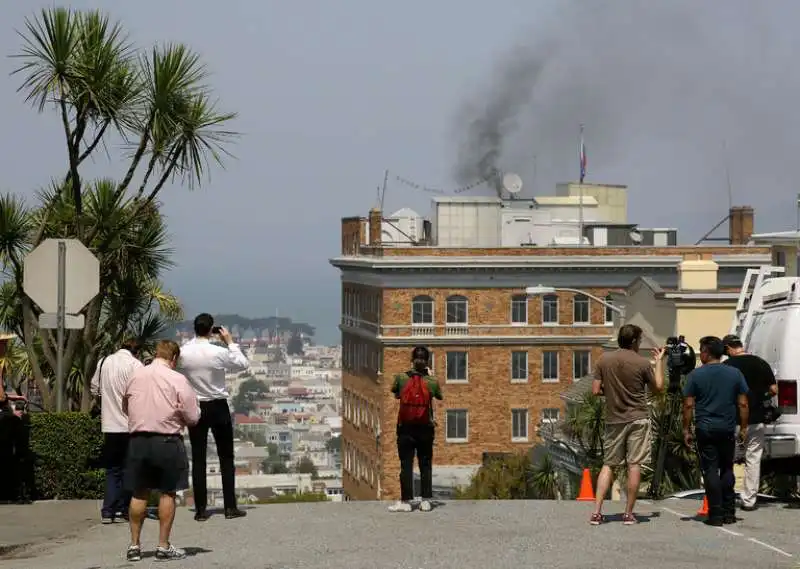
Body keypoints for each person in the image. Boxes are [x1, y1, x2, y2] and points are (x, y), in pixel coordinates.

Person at [122, 339, 200, 562]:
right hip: (167, 440)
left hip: (138, 440)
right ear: (173, 358)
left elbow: (125, 406)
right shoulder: (177, 379)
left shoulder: (136, 376)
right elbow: (193, 416)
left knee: (139, 492)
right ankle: (163, 545)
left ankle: (134, 545)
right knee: (167, 492)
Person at [590, 324, 664, 525]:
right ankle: (628, 514)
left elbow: (596, 390)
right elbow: (658, 387)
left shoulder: (604, 360)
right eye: (639, 341)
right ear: (633, 341)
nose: (640, 344)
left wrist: (612, 392)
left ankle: (596, 512)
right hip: (638, 418)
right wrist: (658, 363)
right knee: (634, 464)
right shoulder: (641, 363)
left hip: (614, 419)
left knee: (609, 464)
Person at [177, 313, 249, 521]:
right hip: (218, 405)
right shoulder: (218, 352)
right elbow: (243, 364)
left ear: (194, 329)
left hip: (196, 406)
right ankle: (229, 507)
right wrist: (230, 342)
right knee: (226, 457)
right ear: (211, 330)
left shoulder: (184, 352)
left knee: (198, 459)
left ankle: (200, 510)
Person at [682, 335, 749, 526]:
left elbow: (688, 406)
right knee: (727, 468)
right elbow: (743, 403)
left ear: (705, 353)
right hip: (727, 427)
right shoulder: (735, 374)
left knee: (710, 469)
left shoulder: (695, 375)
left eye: (701, 350)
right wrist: (743, 427)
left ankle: (716, 513)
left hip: (706, 428)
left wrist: (686, 429)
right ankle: (729, 512)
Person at [90, 338, 144, 524]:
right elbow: (140, 393)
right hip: (129, 425)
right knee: (129, 468)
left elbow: (94, 387)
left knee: (112, 469)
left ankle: (107, 511)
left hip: (109, 424)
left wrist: (106, 399)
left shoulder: (104, 361)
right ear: (136, 352)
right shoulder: (135, 365)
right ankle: (123, 509)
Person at [722, 334, 777, 511]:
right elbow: (774, 390)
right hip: (757, 419)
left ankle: (725, 496)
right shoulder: (761, 363)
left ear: (729, 348)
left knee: (727, 459)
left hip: (733, 420)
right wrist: (760, 397)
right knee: (753, 459)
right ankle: (749, 500)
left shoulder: (727, 366)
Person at [388, 345, 442, 513]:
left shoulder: (401, 378)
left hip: (405, 428)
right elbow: (439, 396)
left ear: (412, 360)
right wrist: (431, 376)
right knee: (425, 464)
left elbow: (395, 393)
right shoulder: (432, 381)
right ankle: (425, 500)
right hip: (425, 428)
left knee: (406, 465)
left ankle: (405, 501)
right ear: (427, 362)